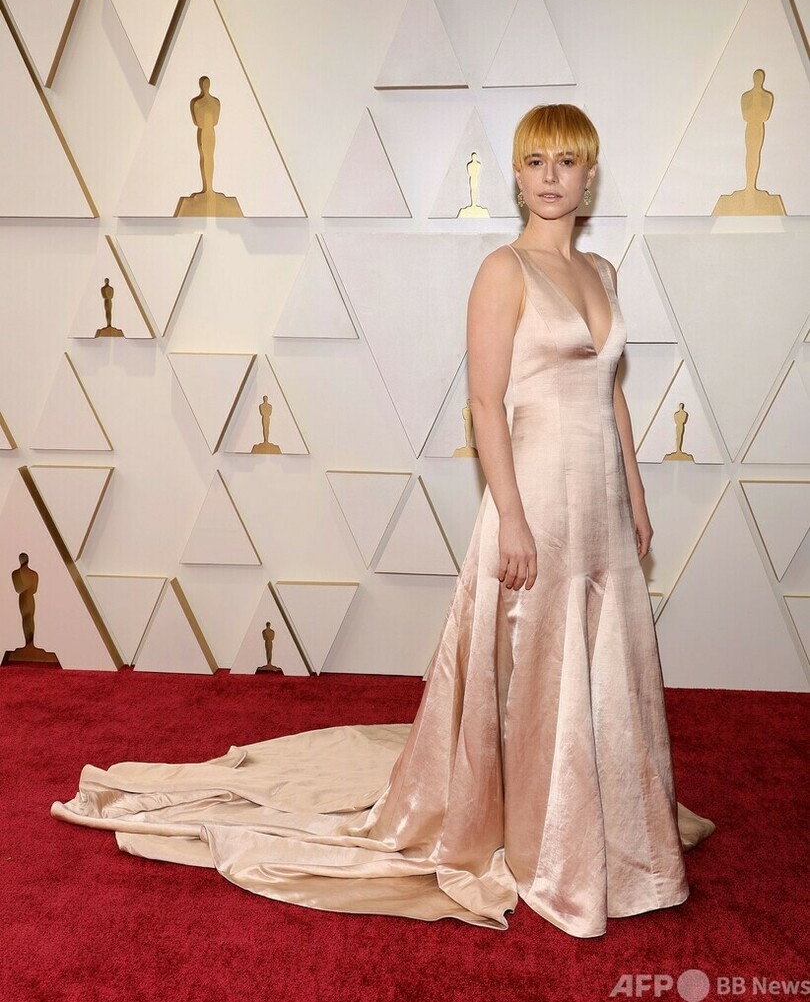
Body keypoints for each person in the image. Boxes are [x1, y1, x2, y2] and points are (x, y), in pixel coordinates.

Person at [52, 105, 715, 938]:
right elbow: (485, 404)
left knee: (601, 667)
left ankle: (601, 827)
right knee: (534, 669)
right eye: (535, 161)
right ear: (517, 177)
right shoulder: (503, 271)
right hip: (539, 502)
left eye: (567, 162)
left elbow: (611, 393)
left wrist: (637, 498)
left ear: (590, 176)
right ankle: (540, 838)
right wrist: (511, 517)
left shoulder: (605, 273)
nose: (551, 177)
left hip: (603, 510)